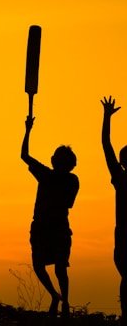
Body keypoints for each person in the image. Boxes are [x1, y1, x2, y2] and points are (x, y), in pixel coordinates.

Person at [21, 115, 79, 320]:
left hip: (55, 226)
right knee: (47, 266)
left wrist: (28, 130)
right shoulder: (58, 177)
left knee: (58, 267)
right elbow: (24, 156)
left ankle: (63, 301)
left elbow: (24, 156)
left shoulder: (58, 177)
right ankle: (58, 297)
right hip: (46, 226)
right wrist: (28, 129)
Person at [101, 96, 127, 325]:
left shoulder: (120, 177)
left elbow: (107, 146)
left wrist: (106, 118)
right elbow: (107, 146)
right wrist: (106, 118)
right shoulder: (120, 177)